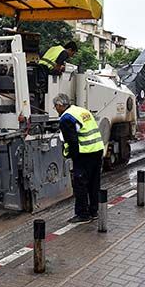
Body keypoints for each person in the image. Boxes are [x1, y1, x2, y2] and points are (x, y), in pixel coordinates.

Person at [53, 93, 104, 223]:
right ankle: (94, 211)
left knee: (80, 184)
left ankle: (83, 214)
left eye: (55, 107)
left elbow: (72, 141)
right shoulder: (80, 110)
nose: (55, 109)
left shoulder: (66, 118)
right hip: (97, 150)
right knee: (94, 182)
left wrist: (71, 157)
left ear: (60, 105)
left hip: (85, 154)